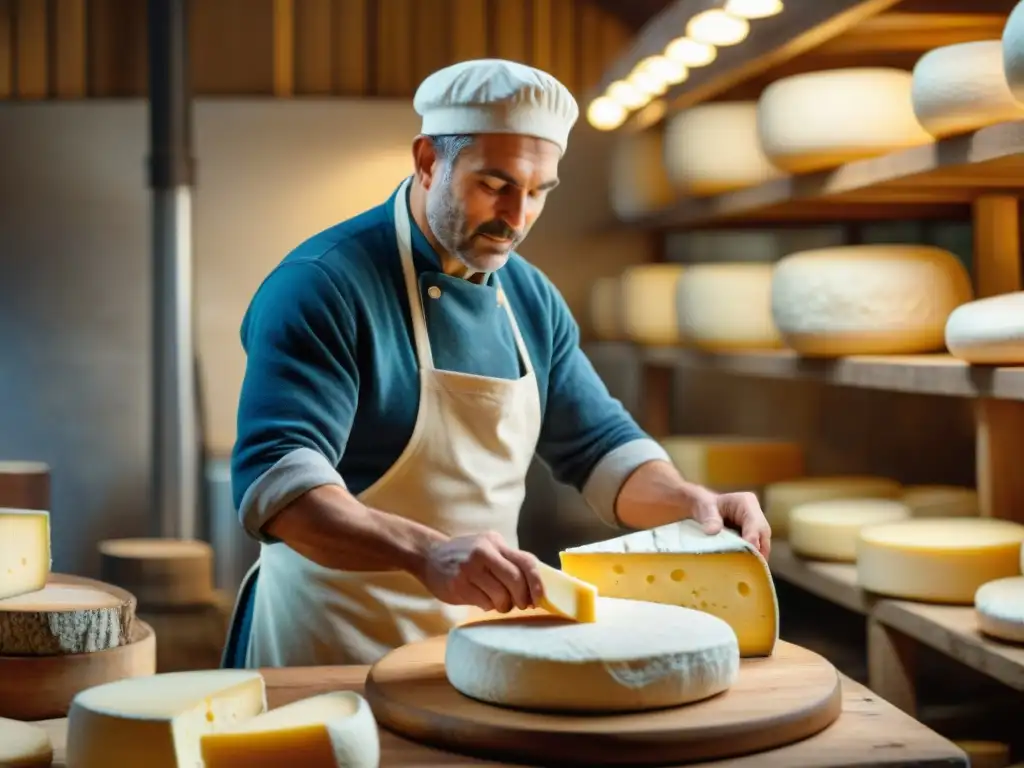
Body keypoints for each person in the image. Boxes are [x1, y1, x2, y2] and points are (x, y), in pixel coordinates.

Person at [223, 58, 772, 669]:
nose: (516, 217)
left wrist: (690, 502)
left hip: (479, 652)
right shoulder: (323, 285)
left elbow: (600, 449)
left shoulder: (530, 298)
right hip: (329, 649)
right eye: (495, 184)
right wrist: (427, 554)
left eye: (538, 192)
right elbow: (278, 487)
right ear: (429, 162)